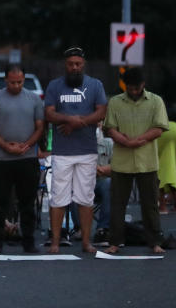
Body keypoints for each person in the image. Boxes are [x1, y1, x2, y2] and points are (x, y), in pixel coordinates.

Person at [43, 47, 107, 254]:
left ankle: (87, 242)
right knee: (58, 198)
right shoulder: (55, 86)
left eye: (78, 64)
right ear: (65, 65)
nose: (74, 67)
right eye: (71, 64)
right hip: (62, 152)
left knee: (85, 198)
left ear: (83, 64)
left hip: (87, 151)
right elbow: (49, 114)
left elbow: (101, 112)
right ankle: (55, 242)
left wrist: (79, 123)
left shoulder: (95, 85)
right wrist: (68, 119)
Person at [102, 67, 168, 254]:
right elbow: (109, 128)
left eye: (136, 88)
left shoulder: (155, 101)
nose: (133, 91)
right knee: (117, 203)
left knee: (150, 204)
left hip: (147, 161)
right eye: (130, 88)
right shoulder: (115, 102)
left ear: (143, 85)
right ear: (125, 86)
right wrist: (123, 140)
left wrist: (138, 140)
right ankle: (114, 242)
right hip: (122, 162)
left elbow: (159, 128)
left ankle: (155, 242)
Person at [0, 64, 45, 253]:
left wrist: (27, 145)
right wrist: (5, 146)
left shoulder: (34, 99)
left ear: (24, 80)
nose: (16, 86)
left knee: (27, 201)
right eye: (12, 82)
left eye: (19, 82)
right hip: (0, 159)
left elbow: (40, 127)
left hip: (27, 157)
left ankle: (28, 241)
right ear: (6, 80)